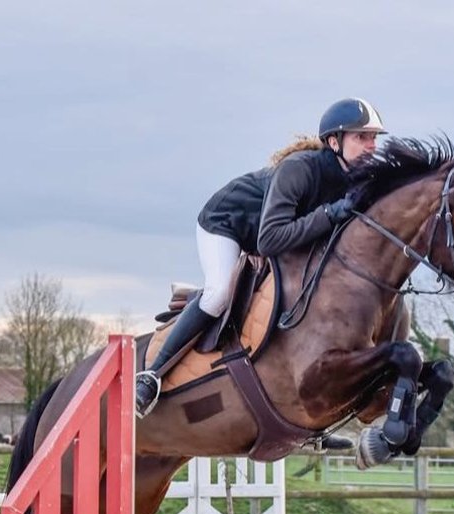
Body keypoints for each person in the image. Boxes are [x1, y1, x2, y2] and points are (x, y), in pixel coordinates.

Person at [134, 98, 387, 417]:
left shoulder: (354, 179)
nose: (371, 145)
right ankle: (151, 377)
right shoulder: (299, 169)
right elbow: (270, 241)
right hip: (227, 223)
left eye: (374, 138)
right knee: (219, 294)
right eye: (361, 137)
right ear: (334, 141)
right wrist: (330, 213)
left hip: (269, 234)